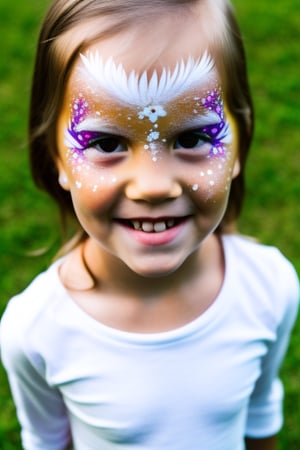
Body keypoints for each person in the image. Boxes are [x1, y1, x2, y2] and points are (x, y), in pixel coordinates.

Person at [0, 0, 299, 449]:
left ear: (238, 144)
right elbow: (45, 440)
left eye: (193, 137)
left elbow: (260, 413)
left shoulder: (270, 287)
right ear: (58, 156)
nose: (153, 186)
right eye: (105, 142)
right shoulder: (37, 330)